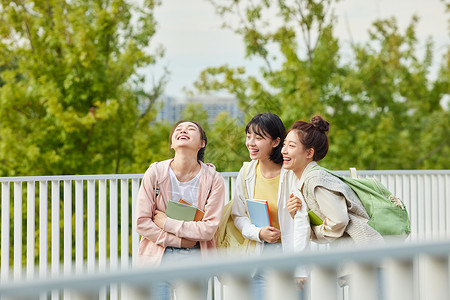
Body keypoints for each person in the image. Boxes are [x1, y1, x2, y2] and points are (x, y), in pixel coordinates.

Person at [135, 120, 225, 299]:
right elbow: (141, 222)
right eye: (178, 129)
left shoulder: (214, 180)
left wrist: (166, 223)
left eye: (190, 129)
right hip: (156, 257)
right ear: (171, 143)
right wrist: (180, 241)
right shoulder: (155, 173)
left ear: (202, 143)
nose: (183, 131)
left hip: (195, 257)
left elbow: (208, 229)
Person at [231, 112, 310, 298]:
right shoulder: (246, 171)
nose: (251, 143)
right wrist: (258, 233)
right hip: (259, 257)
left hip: (288, 256)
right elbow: (238, 215)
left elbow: (301, 223)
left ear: (275, 142)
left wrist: (301, 270)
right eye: (248, 136)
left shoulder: (291, 171)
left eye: (258, 138)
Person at [282, 115, 383, 245]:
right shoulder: (307, 179)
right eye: (284, 144)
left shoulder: (315, 179)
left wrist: (315, 231)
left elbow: (338, 220)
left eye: (291, 146)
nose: (283, 151)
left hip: (363, 250)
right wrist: (296, 212)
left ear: (309, 153)